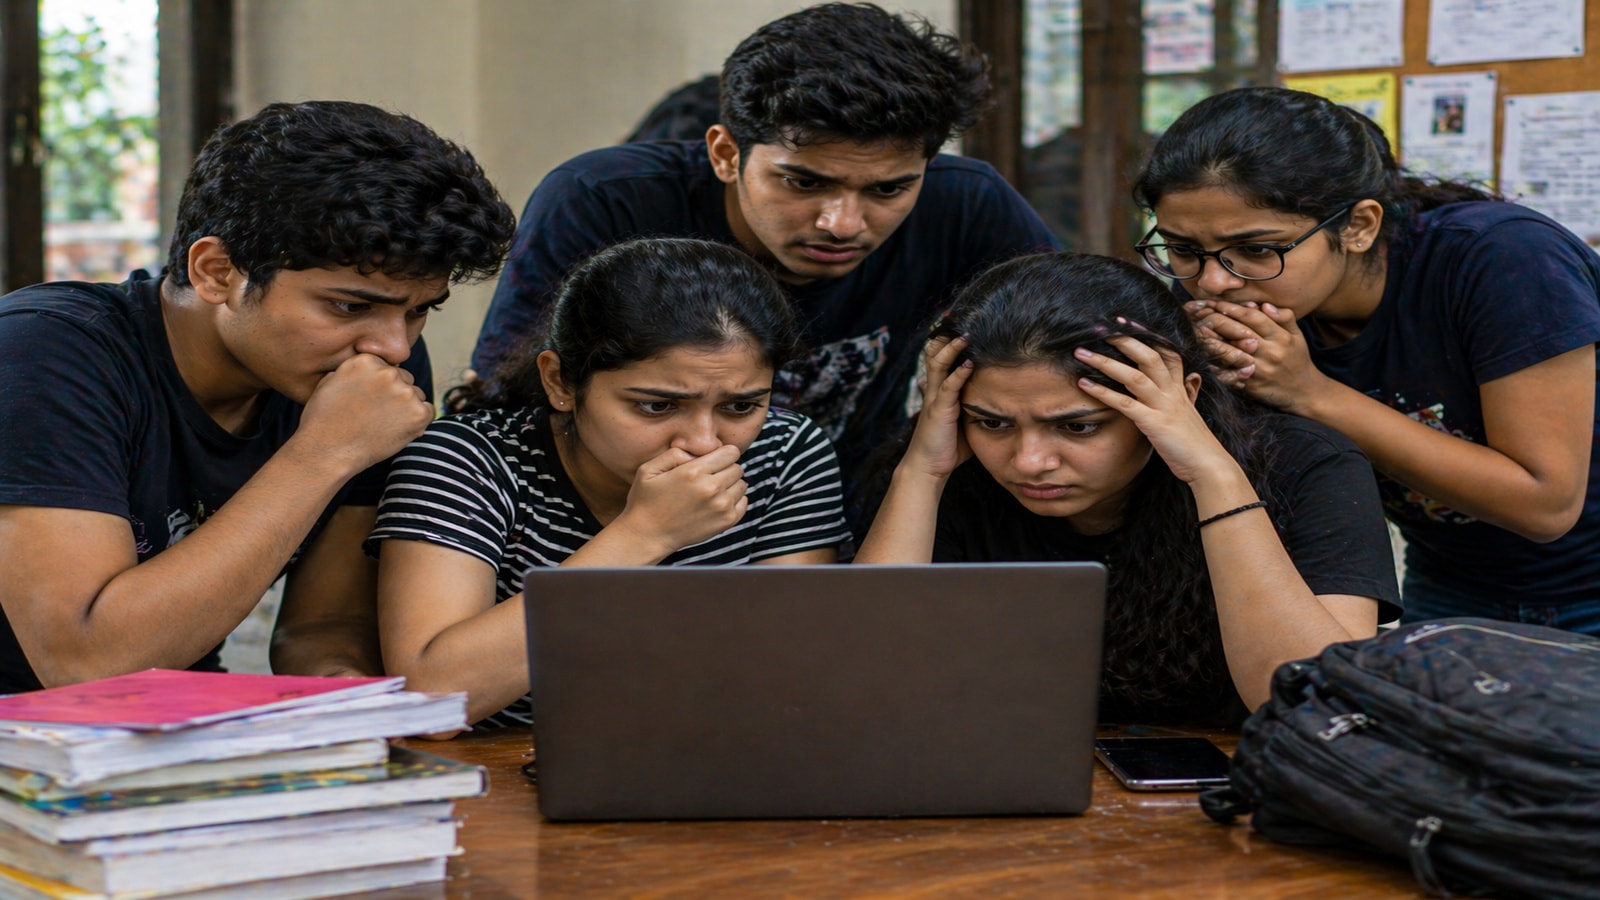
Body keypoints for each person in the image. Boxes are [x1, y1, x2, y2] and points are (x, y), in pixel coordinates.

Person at [472, 3, 1059, 532]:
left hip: (830, 530)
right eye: (803, 182)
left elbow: (1073, 344)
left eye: (889, 189)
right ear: (727, 154)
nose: (843, 222)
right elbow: (512, 403)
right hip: (607, 530)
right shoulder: (605, 199)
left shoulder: (966, 204)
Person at [0, 101, 515, 694]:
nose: (393, 347)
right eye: (349, 306)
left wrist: (348, 700)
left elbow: (324, 624)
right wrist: (323, 454)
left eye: (419, 310)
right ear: (217, 271)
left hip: (172, 728)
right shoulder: (44, 351)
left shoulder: (361, 367)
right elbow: (86, 665)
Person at [855, 252, 1398, 723]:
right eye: (992, 422)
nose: (1030, 461)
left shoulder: (1305, 464)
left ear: (1178, 398)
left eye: (1078, 426)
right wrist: (920, 473)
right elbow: (863, 688)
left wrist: (1213, 474)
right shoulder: (944, 469)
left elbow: (1317, 703)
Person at [1133, 86, 1600, 632]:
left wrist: (1310, 393)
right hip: (1453, 580)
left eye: (1258, 249)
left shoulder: (1504, 261)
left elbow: (1545, 506)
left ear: (1358, 227)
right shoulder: (1234, 297)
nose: (1213, 280)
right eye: (1183, 249)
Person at [370, 238, 854, 731]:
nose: (704, 443)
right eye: (656, 406)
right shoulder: (469, 459)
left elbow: (794, 675)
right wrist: (643, 535)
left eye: (740, 407)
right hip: (493, 777)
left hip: (714, 763)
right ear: (560, 382)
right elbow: (430, 705)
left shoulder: (785, 452)